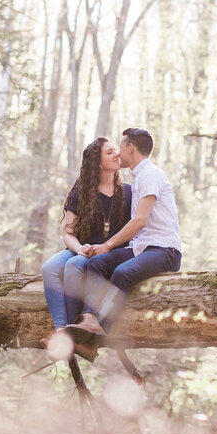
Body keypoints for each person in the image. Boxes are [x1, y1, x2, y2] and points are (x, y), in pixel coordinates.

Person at [61, 127, 182, 361]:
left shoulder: (151, 175)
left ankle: (98, 334)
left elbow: (139, 221)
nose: (118, 153)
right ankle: (88, 319)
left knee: (122, 273)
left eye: (120, 147)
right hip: (142, 248)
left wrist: (107, 245)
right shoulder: (138, 178)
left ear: (131, 148)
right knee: (95, 264)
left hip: (165, 250)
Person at [40, 137, 132, 337]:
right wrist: (80, 248)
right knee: (49, 268)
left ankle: (74, 328)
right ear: (98, 163)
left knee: (74, 266)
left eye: (116, 150)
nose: (117, 154)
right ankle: (61, 328)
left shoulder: (128, 193)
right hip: (82, 249)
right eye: (109, 152)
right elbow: (68, 234)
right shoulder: (80, 192)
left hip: (109, 255)